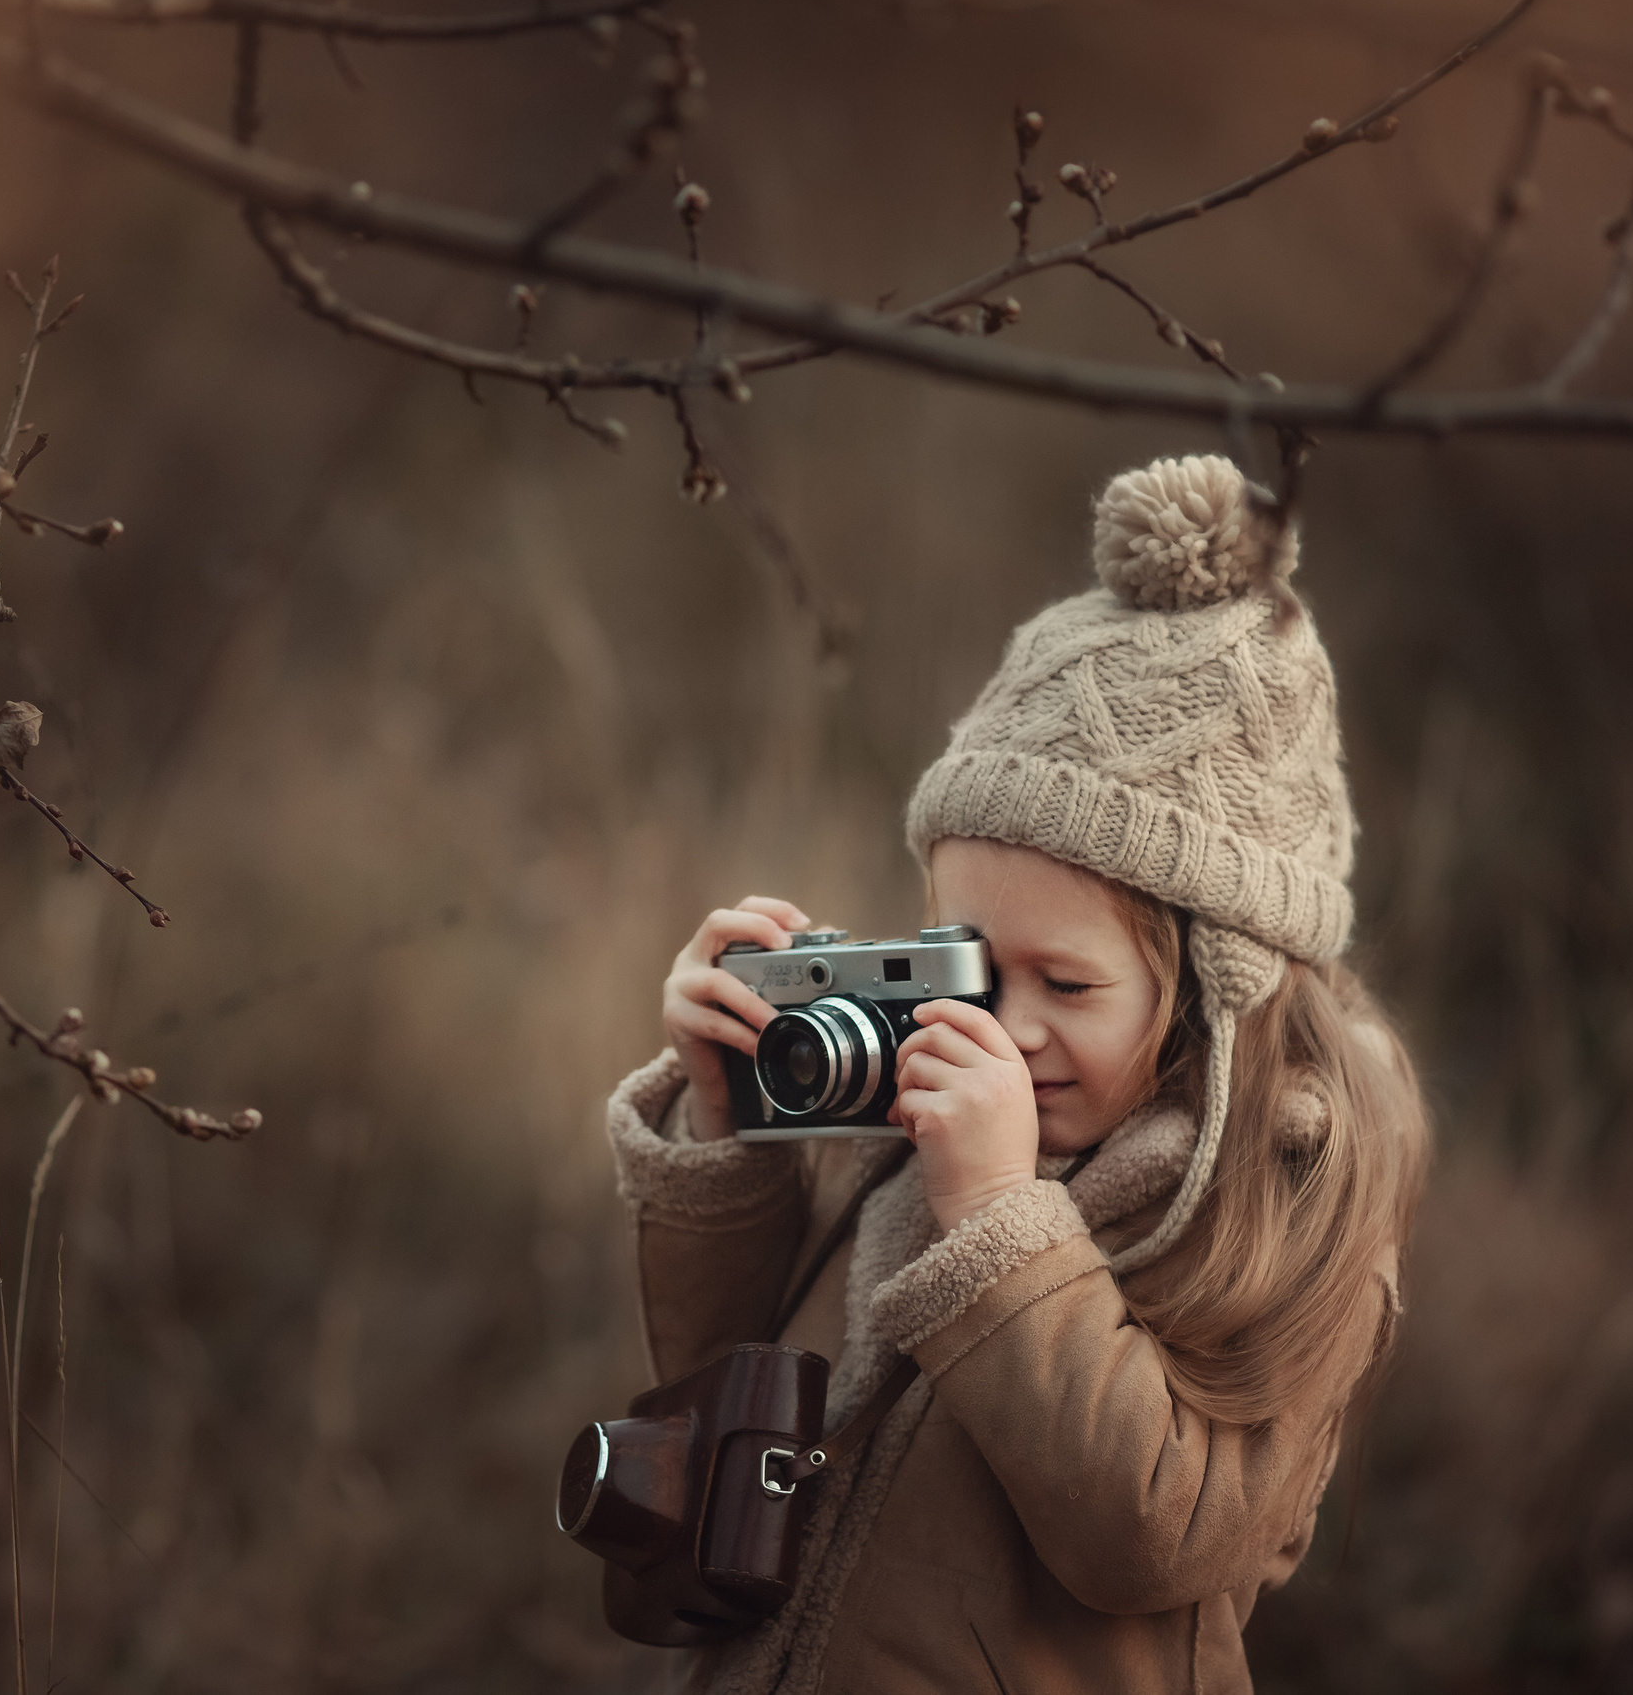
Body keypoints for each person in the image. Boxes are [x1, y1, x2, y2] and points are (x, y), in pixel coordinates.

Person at [602, 454, 1431, 1694]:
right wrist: (728, 1125)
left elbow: (1159, 1535)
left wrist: (997, 1218)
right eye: (969, 962)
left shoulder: (1285, 1198)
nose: (1006, 1025)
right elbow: (731, 1396)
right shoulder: (922, 1107)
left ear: (1220, 982)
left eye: (1069, 983)